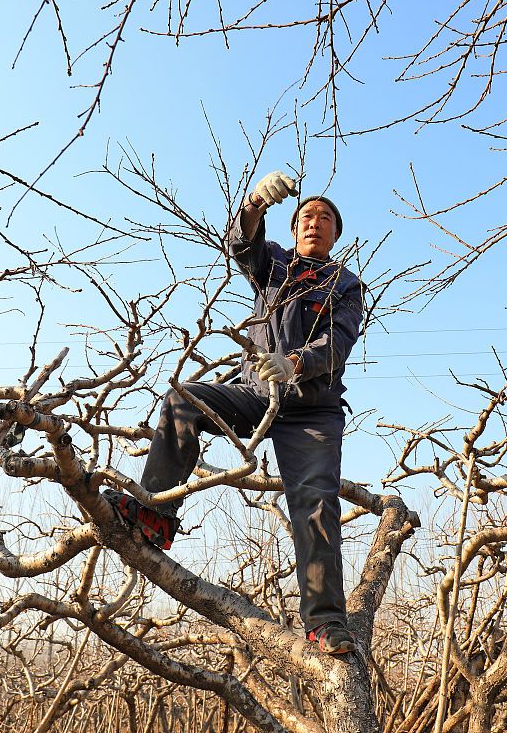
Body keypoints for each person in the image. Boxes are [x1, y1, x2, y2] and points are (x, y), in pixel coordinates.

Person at [103, 169, 365, 655]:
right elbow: (242, 248)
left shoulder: (346, 286)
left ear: (335, 234)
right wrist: (252, 207)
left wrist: (296, 364)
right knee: (184, 399)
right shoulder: (275, 267)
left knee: (315, 506)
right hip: (255, 392)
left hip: (313, 411)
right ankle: (155, 515)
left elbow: (339, 343)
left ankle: (326, 623)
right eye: (307, 215)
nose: (315, 221)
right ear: (293, 228)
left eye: (326, 218)